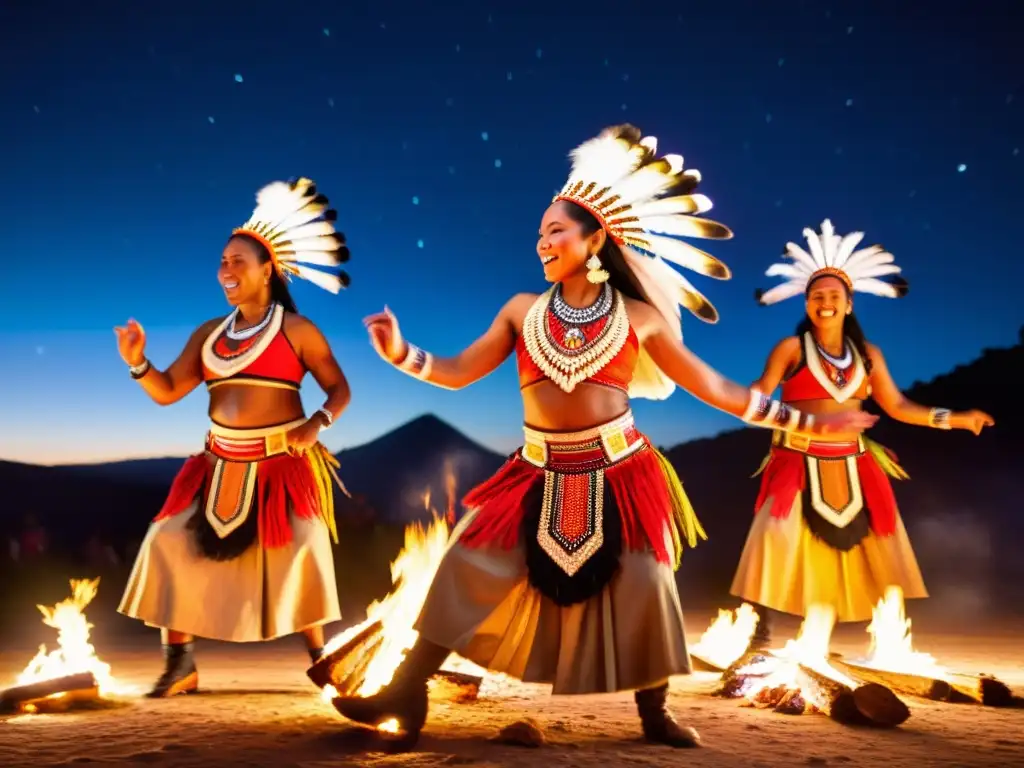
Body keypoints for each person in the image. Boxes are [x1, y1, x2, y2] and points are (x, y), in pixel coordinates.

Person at [330, 126, 875, 747]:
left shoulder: (639, 319)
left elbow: (717, 389)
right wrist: (402, 354)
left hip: (621, 471)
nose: (541, 243)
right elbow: (456, 373)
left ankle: (654, 714)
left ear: (595, 240)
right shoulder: (520, 309)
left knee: (645, 583)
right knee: (464, 561)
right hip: (534, 471)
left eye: (554, 231)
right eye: (538, 234)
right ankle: (407, 689)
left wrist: (809, 422)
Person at [116, 177, 353, 697]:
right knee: (168, 543)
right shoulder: (207, 334)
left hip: (281, 466)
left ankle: (324, 658)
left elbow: (339, 390)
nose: (226, 270)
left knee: (304, 551)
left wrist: (316, 425)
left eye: (237, 261)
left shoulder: (299, 331)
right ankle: (180, 664)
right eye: (222, 261)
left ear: (268, 269)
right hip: (215, 465)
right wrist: (138, 364)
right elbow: (169, 390)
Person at [731, 218, 995, 650]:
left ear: (850, 304)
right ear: (806, 303)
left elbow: (898, 406)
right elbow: (757, 395)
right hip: (795, 461)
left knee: (874, 553)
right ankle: (755, 638)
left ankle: (876, 642)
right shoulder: (791, 349)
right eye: (817, 296)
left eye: (835, 295)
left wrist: (955, 418)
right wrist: (746, 399)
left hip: (855, 463)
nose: (826, 302)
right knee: (772, 544)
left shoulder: (868, 355)